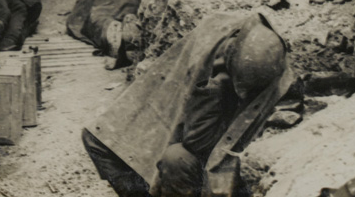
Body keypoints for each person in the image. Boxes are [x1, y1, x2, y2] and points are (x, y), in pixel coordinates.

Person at [82, 13, 293, 197]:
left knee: (176, 159)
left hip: (225, 173)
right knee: (98, 140)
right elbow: (196, 140)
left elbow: (198, 144)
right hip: (207, 162)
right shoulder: (214, 50)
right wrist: (214, 86)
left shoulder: (276, 82)